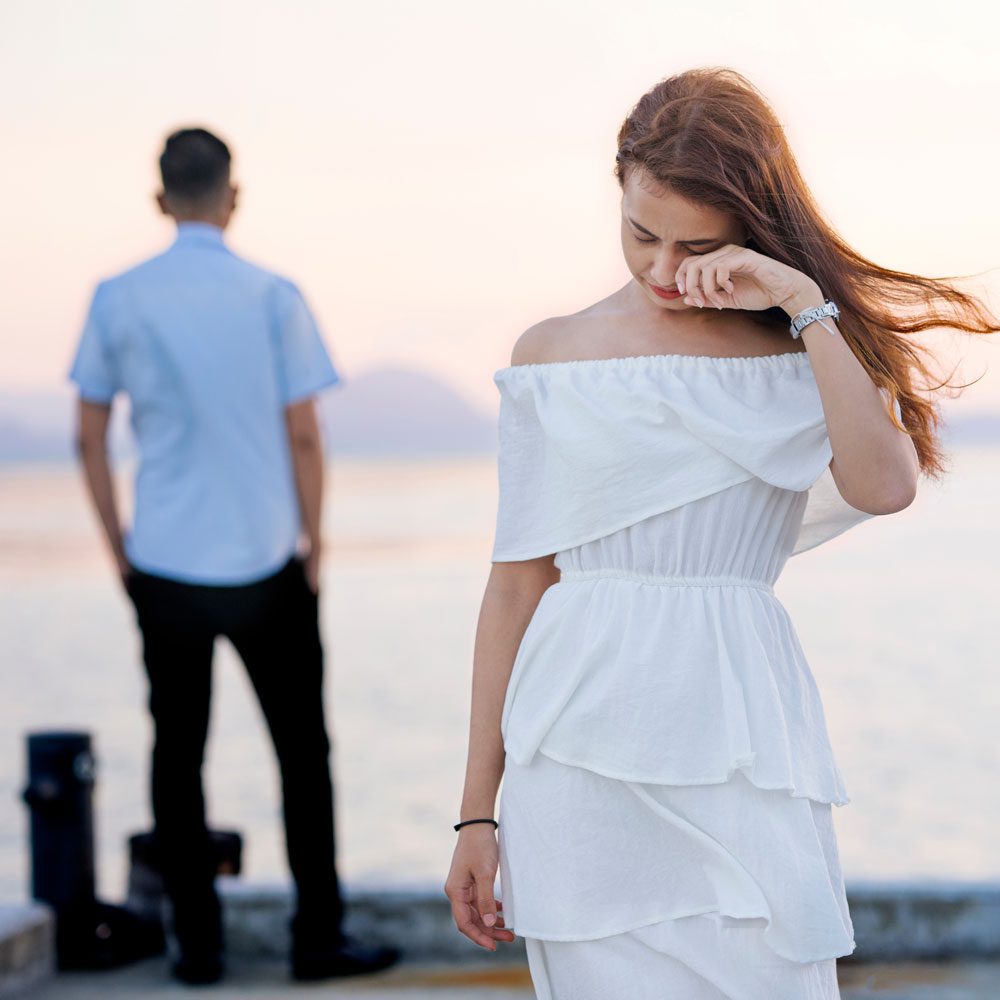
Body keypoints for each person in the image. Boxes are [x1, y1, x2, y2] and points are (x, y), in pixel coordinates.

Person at [444, 68, 998, 998]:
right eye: (640, 234)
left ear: (753, 224)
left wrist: (800, 301)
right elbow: (516, 585)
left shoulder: (798, 349)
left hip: (744, 741)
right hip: (576, 751)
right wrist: (474, 818)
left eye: (694, 243)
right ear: (615, 191)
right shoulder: (552, 356)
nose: (663, 269)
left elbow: (885, 485)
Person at [68, 127, 400, 986]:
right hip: (267, 562)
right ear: (233, 196)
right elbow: (303, 431)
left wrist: (120, 552)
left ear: (159, 198)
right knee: (303, 756)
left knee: (176, 758)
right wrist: (314, 541)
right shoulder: (273, 294)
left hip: (166, 564)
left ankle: (199, 952)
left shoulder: (117, 295)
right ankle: (317, 940)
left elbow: (90, 435)